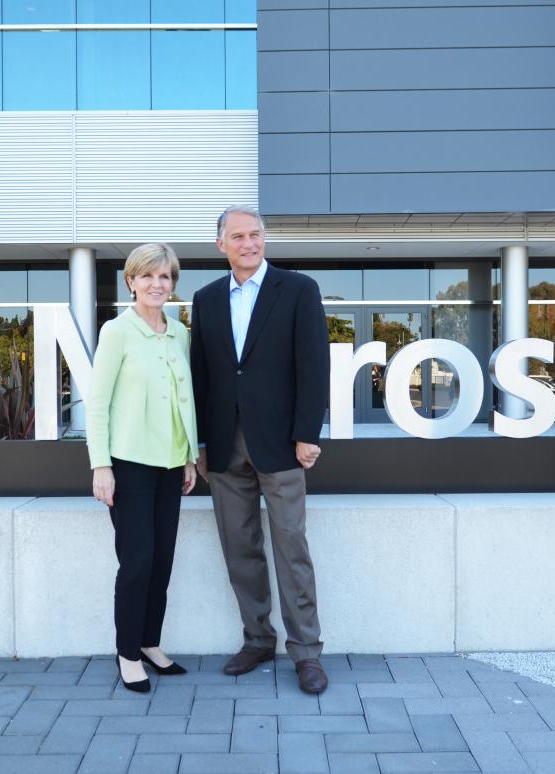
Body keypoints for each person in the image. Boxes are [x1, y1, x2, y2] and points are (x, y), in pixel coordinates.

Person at [190, 205, 331, 694]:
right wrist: (203, 443)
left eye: (255, 235)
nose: (249, 243)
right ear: (220, 245)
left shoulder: (297, 290)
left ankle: (307, 654)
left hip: (282, 445)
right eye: (238, 236)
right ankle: (256, 638)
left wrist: (307, 433)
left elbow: (314, 365)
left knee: (292, 547)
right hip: (225, 447)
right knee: (240, 548)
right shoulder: (205, 299)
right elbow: (202, 377)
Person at [86, 242, 198, 693]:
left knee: (163, 560)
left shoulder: (180, 333)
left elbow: (181, 401)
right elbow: (97, 403)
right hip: (128, 465)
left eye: (165, 277)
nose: (157, 284)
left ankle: (151, 642)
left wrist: (189, 454)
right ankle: (128, 653)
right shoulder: (118, 331)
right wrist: (101, 466)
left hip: (172, 464)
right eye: (147, 276)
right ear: (130, 281)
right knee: (137, 562)